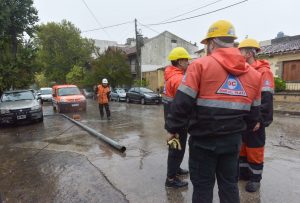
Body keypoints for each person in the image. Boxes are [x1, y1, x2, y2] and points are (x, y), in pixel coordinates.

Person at [165, 20, 262, 203]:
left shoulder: (199, 66)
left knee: (202, 187)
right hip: (233, 143)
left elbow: (182, 104)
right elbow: (254, 116)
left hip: (203, 142)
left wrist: (172, 128)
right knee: (229, 186)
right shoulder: (254, 75)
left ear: (211, 43)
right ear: (232, 42)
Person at [238, 38, 275, 192]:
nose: (238, 54)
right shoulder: (243, 71)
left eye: (240, 51)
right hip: (244, 118)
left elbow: (266, 99)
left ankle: (255, 179)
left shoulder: (263, 72)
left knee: (255, 149)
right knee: (242, 148)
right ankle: (244, 173)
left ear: (248, 53)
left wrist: (260, 119)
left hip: (256, 120)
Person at [163, 47, 191, 188]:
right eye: (186, 60)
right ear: (180, 61)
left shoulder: (170, 77)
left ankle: (176, 170)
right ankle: (171, 179)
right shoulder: (179, 79)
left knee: (174, 148)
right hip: (177, 123)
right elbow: (184, 104)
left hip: (171, 120)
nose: (188, 63)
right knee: (176, 150)